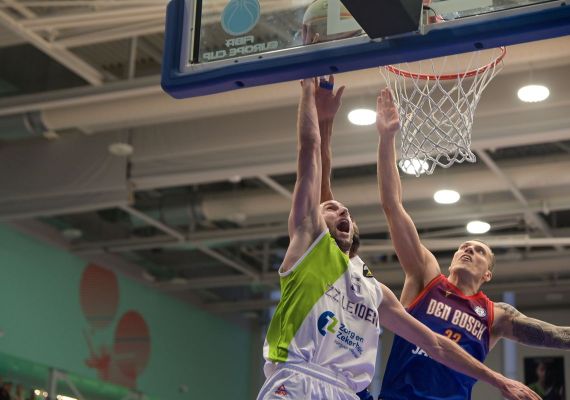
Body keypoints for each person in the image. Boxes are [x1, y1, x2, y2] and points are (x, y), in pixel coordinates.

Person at [256, 77, 540, 400]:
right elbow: (311, 158)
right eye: (331, 209)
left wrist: (499, 381)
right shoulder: (311, 248)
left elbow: (436, 344)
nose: (342, 210)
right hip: (298, 378)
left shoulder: (374, 291)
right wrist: (311, 99)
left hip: (348, 392)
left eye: (346, 211)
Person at [375, 87, 570, 400]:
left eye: (480, 251)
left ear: (487, 274)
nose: (468, 250)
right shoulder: (425, 276)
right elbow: (392, 206)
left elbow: (558, 335)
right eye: (464, 246)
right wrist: (386, 139)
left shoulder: (496, 315)